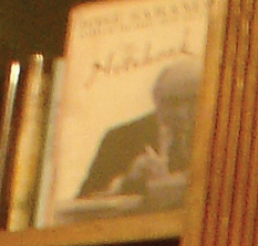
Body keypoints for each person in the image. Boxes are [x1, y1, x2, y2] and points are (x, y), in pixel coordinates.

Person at [64, 54, 198, 217]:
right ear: (155, 99)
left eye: (193, 100)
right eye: (172, 102)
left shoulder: (223, 134)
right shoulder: (121, 138)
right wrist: (126, 182)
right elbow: (81, 206)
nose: (181, 113)